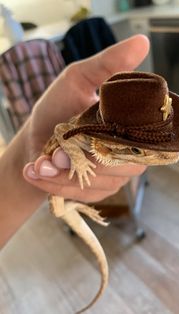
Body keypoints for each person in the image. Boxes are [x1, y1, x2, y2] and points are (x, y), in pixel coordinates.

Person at [0, 34, 150, 248]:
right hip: (54, 154)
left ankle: (82, 209)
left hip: (32, 176)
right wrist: (78, 161)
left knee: (66, 191)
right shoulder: (91, 130)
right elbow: (62, 130)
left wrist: (25, 156)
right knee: (63, 192)